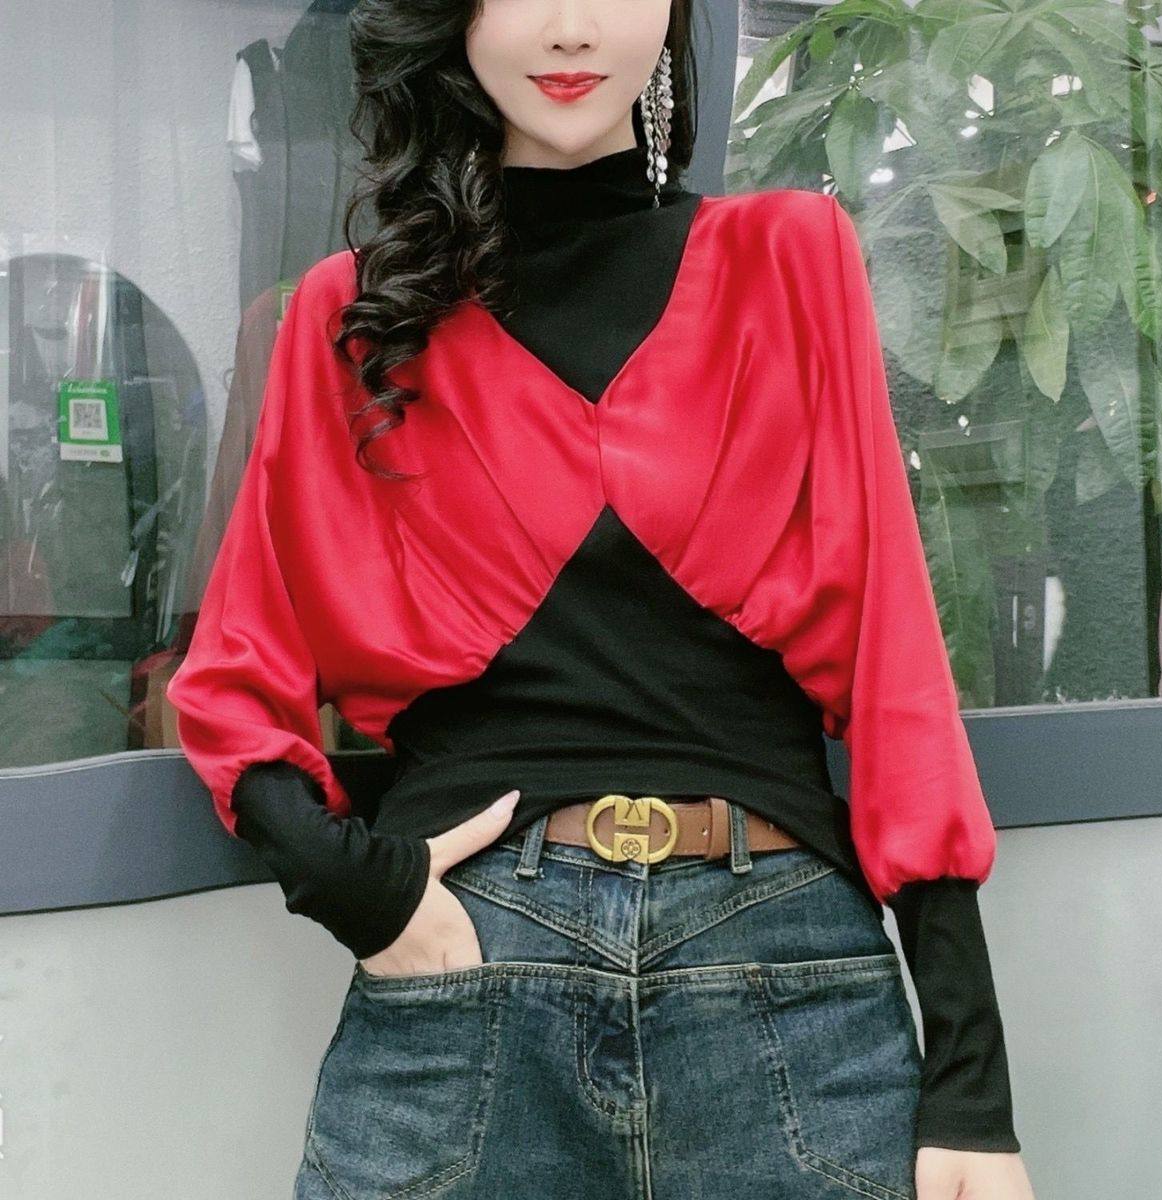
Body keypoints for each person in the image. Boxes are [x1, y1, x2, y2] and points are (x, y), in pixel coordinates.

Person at [166, 2, 1038, 1197]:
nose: (570, 27)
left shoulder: (790, 257)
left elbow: (896, 672)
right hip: (473, 965)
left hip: (782, 963)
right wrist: (357, 888)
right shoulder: (356, 318)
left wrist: (973, 1089)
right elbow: (234, 681)